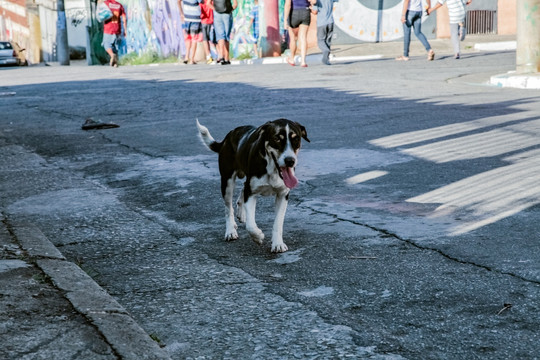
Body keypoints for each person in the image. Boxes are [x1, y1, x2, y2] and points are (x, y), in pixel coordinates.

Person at [284, 0, 316, 67]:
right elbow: (314, 1)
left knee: (293, 38)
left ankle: (292, 59)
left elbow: (288, 4)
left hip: (294, 12)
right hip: (305, 12)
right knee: (303, 37)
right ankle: (303, 61)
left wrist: (285, 20)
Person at [101, 0, 127, 67]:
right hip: (117, 29)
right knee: (115, 47)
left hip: (108, 28)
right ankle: (115, 63)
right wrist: (125, 30)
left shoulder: (106, 4)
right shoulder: (119, 5)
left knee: (106, 44)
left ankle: (112, 55)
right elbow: (124, 18)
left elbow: (100, 15)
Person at [211, 0, 238, 65]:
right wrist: (230, 10)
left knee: (220, 36)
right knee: (226, 36)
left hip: (217, 14)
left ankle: (221, 56)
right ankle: (226, 58)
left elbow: (208, 3)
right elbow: (235, 4)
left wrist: (216, 9)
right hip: (227, 14)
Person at [312, 0, 338, 65]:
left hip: (321, 23)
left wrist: (311, 7)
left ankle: (325, 51)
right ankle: (326, 59)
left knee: (320, 40)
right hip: (330, 22)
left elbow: (315, 11)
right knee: (328, 41)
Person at [179, 0, 203, 64]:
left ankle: (186, 57)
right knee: (194, 38)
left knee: (188, 38)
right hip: (195, 18)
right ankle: (192, 59)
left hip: (186, 18)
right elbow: (201, 1)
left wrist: (181, 13)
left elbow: (178, 1)